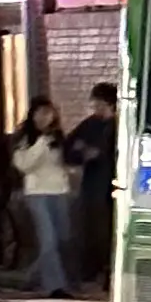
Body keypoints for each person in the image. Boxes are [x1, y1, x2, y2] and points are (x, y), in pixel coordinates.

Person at [8, 95, 77, 299]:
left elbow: (66, 161)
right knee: (48, 240)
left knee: (63, 239)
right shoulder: (25, 139)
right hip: (37, 193)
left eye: (48, 113)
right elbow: (24, 165)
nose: (44, 117)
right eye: (40, 113)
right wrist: (41, 142)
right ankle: (54, 286)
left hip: (60, 191)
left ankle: (33, 277)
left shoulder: (59, 138)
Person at [62, 78, 118, 287]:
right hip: (94, 185)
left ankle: (108, 271)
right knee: (93, 228)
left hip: (113, 184)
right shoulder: (90, 124)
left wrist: (93, 152)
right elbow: (69, 148)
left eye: (99, 104)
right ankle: (93, 270)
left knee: (110, 229)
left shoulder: (120, 126)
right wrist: (84, 153)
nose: (95, 108)